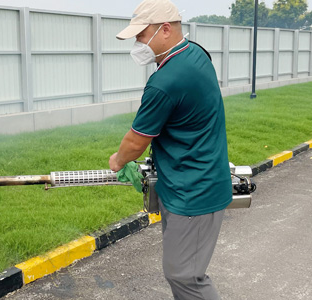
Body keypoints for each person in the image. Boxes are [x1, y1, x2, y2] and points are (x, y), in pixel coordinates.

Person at [108, 0, 232, 299]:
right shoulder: (196, 54)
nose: (138, 41)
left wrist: (117, 160)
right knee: (184, 271)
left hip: (193, 192)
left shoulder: (165, 82)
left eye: (141, 34)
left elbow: (136, 142)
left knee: (185, 275)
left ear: (165, 29)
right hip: (190, 180)